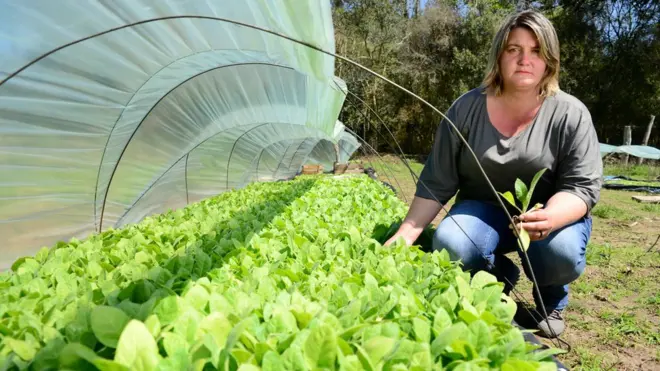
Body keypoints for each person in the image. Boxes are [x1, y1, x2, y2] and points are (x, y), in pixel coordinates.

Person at [385, 9, 603, 338]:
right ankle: (497, 281)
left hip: (547, 214)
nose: (524, 59)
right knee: (451, 241)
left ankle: (550, 299)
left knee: (561, 250)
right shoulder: (466, 108)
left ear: (549, 60)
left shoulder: (570, 113)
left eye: (536, 51)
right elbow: (437, 180)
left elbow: (581, 187)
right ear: (499, 55)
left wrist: (552, 217)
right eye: (514, 49)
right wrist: (407, 233)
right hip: (482, 209)